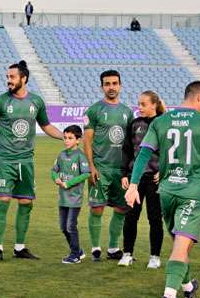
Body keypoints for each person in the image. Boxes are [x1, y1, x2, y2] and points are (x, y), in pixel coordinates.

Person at [126, 81, 200, 298]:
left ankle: (189, 285)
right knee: (181, 246)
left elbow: (143, 154)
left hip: (167, 191)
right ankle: (168, 297)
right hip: (193, 192)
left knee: (180, 244)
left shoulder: (161, 122)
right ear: (199, 99)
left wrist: (132, 185)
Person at [0, 60, 63, 262]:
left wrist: (66, 137)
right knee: (3, 201)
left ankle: (19, 247)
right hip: (5, 160)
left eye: (12, 77)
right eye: (8, 77)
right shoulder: (0, 101)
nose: (9, 80)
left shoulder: (37, 102)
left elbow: (46, 126)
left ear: (23, 78)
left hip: (26, 161)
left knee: (26, 203)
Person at [84, 70, 133, 262]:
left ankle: (113, 248)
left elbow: (130, 143)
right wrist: (91, 166)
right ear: (102, 86)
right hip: (101, 168)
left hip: (120, 171)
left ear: (120, 85)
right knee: (97, 209)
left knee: (121, 209)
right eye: (107, 83)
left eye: (114, 83)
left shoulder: (127, 112)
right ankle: (96, 248)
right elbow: (87, 141)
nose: (111, 87)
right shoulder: (94, 110)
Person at [121, 90, 165, 269]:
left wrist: (163, 169)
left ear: (154, 104)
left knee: (155, 218)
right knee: (131, 216)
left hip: (155, 179)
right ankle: (127, 253)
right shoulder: (134, 124)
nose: (139, 108)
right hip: (135, 179)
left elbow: (171, 150)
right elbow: (126, 150)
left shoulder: (164, 123)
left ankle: (155, 256)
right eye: (138, 104)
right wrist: (124, 173)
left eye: (143, 104)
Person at [52, 125, 91, 264]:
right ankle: (78, 251)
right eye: (65, 138)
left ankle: (75, 255)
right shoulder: (62, 155)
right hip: (63, 198)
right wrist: (55, 177)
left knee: (70, 226)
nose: (66, 141)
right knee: (63, 227)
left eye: (70, 138)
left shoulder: (80, 156)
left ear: (78, 140)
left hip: (75, 198)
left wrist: (69, 183)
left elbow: (86, 173)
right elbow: (54, 170)